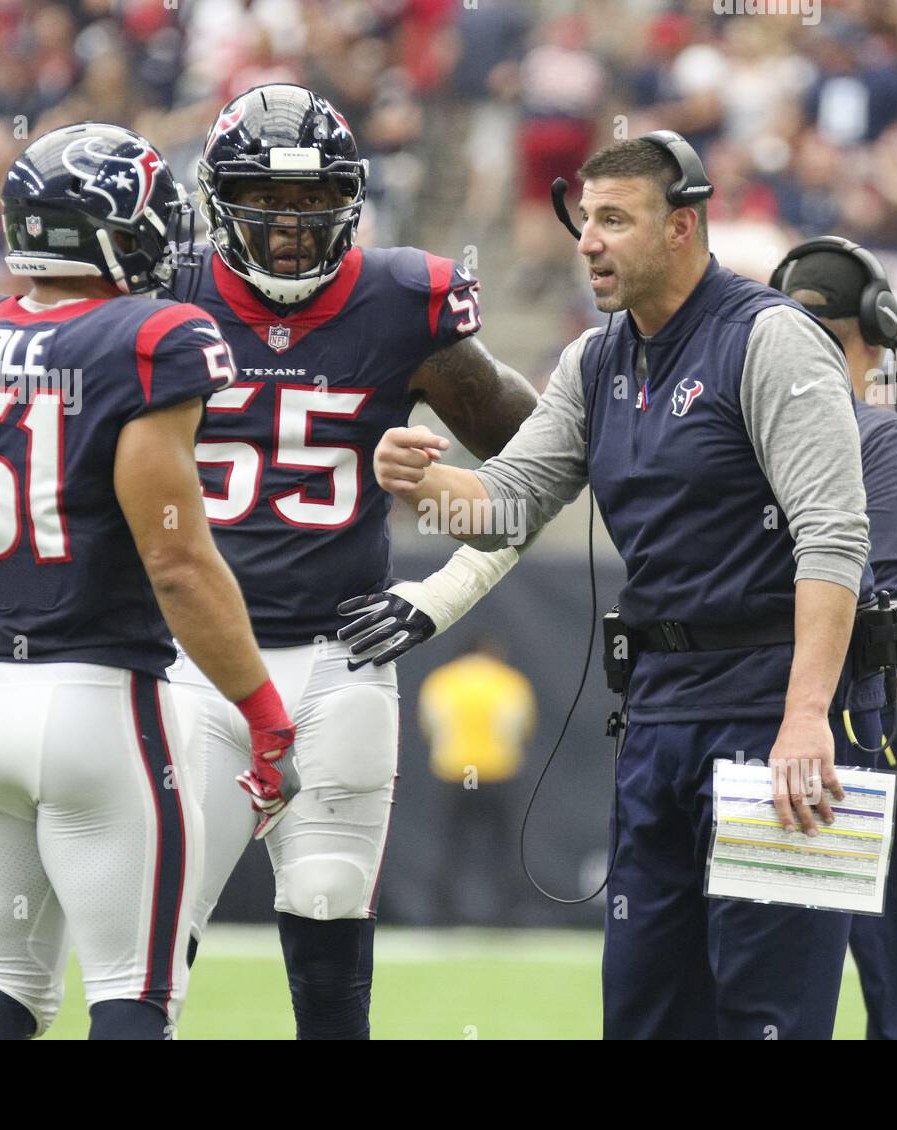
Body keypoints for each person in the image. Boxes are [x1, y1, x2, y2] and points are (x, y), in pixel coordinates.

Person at [372, 133, 885, 1040]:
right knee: (643, 1016)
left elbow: (834, 535)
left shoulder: (773, 339)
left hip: (777, 714)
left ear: (682, 227)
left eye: (616, 219)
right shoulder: (594, 359)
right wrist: (425, 483)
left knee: (775, 1020)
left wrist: (807, 715)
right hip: (657, 718)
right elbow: (507, 508)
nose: (588, 241)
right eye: (585, 219)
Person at [0, 122, 295, 1041]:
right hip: (101, 702)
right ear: (118, 228)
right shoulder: (153, 336)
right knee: (134, 993)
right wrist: (266, 710)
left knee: (4, 985)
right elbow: (175, 556)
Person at [172, 83, 539, 1040]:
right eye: (267, 200)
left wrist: (441, 589)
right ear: (218, 199)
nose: (290, 229)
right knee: (151, 941)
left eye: (310, 203)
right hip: (191, 664)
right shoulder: (166, 291)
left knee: (332, 933)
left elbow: (548, 465)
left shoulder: (403, 302)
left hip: (340, 662)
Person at [775, 236, 897, 1039]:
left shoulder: (734, 436)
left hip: (751, 729)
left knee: (772, 993)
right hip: (863, 736)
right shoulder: (881, 436)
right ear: (880, 330)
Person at [418, 639, 535, 924]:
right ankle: (508, 916)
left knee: (451, 845)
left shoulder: (442, 680)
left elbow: (430, 725)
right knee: (505, 847)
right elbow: (521, 725)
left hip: (455, 772)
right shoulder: (508, 680)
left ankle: (442, 915)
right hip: (499, 772)